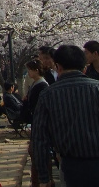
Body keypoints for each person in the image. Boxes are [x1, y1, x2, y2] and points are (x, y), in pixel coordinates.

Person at [32, 44, 99, 187]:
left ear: (58, 67)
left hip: (70, 165)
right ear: (84, 67)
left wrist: (44, 177)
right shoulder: (96, 88)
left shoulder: (48, 95)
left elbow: (39, 139)